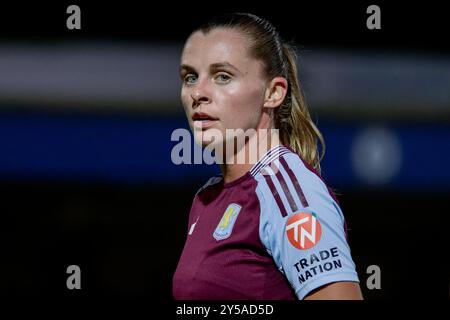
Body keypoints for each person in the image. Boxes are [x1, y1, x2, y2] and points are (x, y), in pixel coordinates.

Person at [172, 12, 362, 300]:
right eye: (190, 77)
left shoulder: (287, 190)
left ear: (273, 93)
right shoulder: (207, 197)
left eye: (223, 76)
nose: (198, 92)